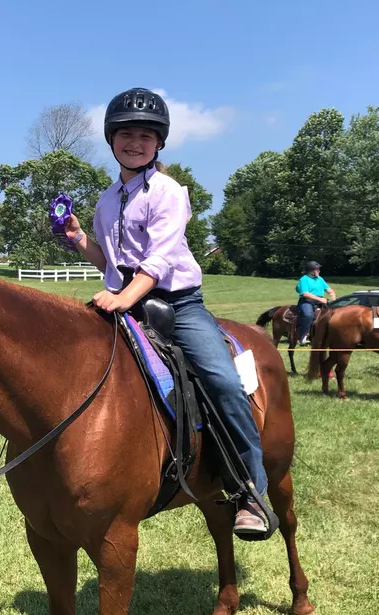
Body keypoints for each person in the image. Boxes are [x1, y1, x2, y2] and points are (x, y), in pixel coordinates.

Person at [59, 87, 269, 537]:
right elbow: (111, 261)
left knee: (224, 382)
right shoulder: (107, 199)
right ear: (112, 138)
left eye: (146, 136)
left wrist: (122, 297)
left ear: (159, 144)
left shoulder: (170, 192)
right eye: (127, 134)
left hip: (177, 304)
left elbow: (157, 262)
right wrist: (78, 237)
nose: (135, 143)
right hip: (123, 301)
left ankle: (250, 490)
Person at [295, 260, 335, 346]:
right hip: (307, 301)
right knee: (308, 315)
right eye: (317, 269)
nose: (319, 271)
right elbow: (305, 294)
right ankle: (302, 338)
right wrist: (320, 299)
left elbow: (329, 290)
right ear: (311, 270)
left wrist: (333, 297)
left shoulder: (320, 279)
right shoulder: (304, 279)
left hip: (321, 301)